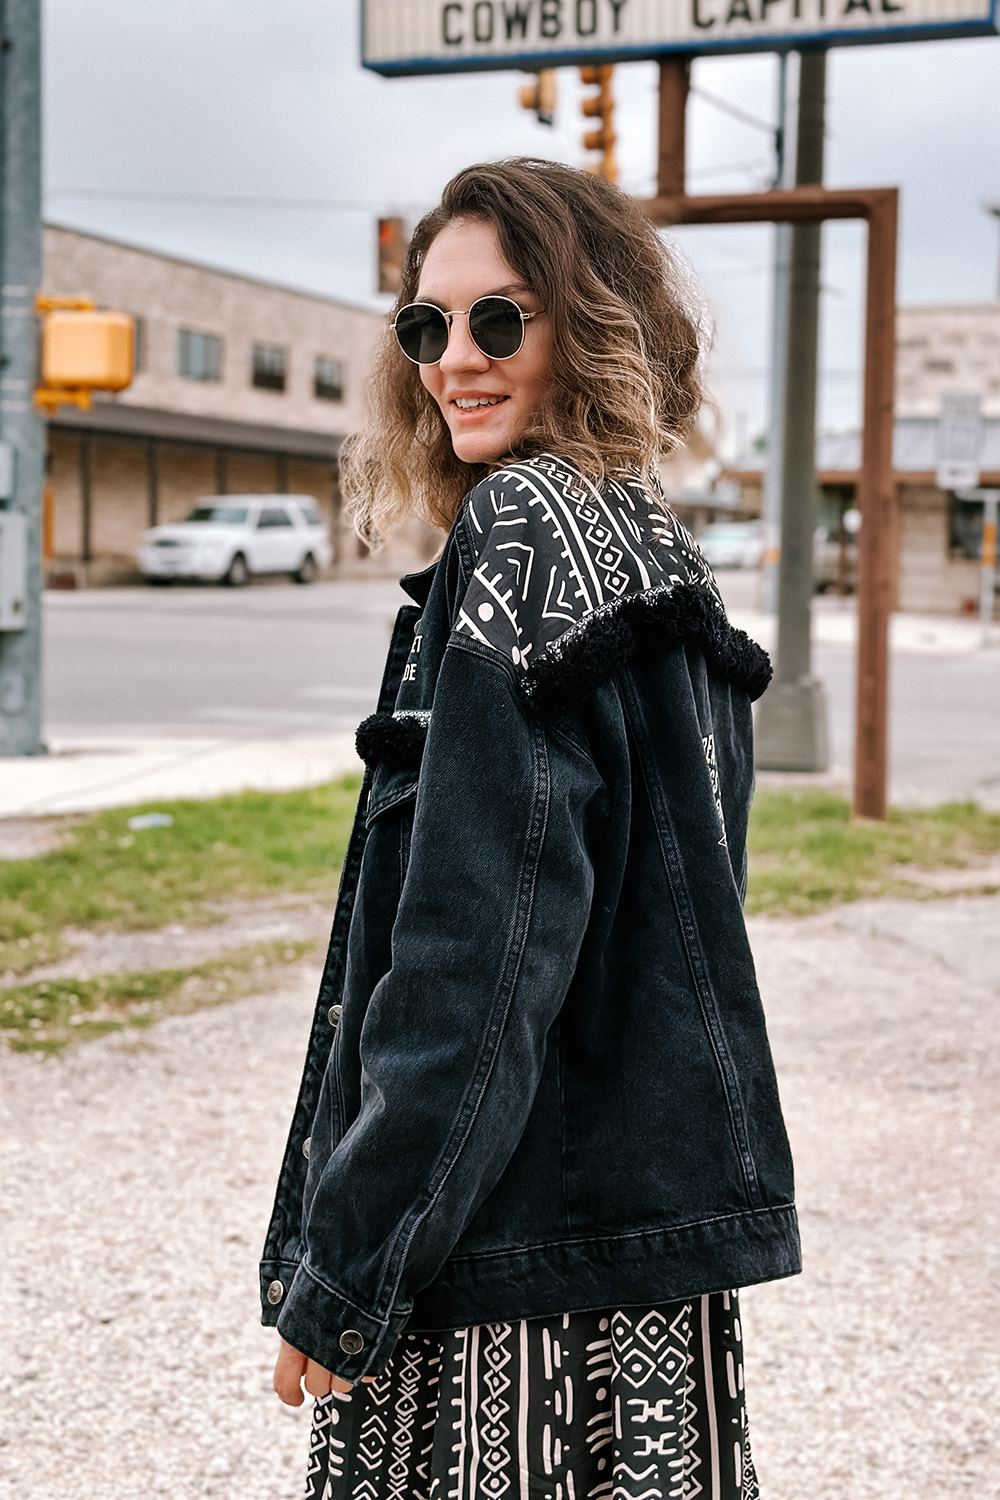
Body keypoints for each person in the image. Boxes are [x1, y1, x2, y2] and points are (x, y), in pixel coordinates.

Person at [259, 156, 801, 1499]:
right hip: (637, 1258)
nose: (456, 358)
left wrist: (354, 1259)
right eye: (427, 325)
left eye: (500, 319)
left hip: (511, 1265)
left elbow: (480, 953)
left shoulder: (523, 531)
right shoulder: (651, 538)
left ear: (593, 320)